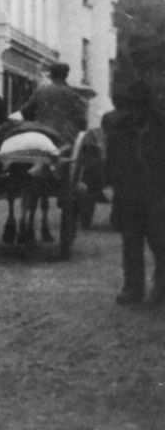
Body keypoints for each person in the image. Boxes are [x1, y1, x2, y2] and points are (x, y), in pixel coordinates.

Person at [101, 78, 165, 307]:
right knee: (134, 241)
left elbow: (110, 160)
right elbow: (111, 159)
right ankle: (134, 289)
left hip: (153, 191)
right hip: (134, 190)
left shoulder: (156, 123)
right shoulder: (120, 126)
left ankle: (153, 288)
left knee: (154, 241)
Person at [19, 62, 88, 146]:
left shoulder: (41, 91)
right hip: (64, 138)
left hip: (42, 134)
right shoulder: (73, 95)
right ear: (66, 75)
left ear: (51, 75)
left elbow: (25, 112)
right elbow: (82, 122)